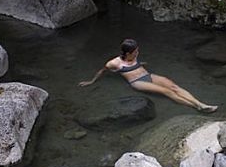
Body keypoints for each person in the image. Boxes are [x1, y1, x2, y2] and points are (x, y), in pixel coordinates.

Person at [79, 39, 218, 112]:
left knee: (173, 86)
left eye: (137, 51)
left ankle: (200, 104)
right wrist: (91, 81)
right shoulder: (114, 63)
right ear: (127, 53)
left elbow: (137, 63)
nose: (137, 53)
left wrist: (141, 63)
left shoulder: (134, 56)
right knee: (166, 91)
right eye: (135, 52)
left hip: (148, 75)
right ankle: (195, 107)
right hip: (137, 82)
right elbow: (102, 70)